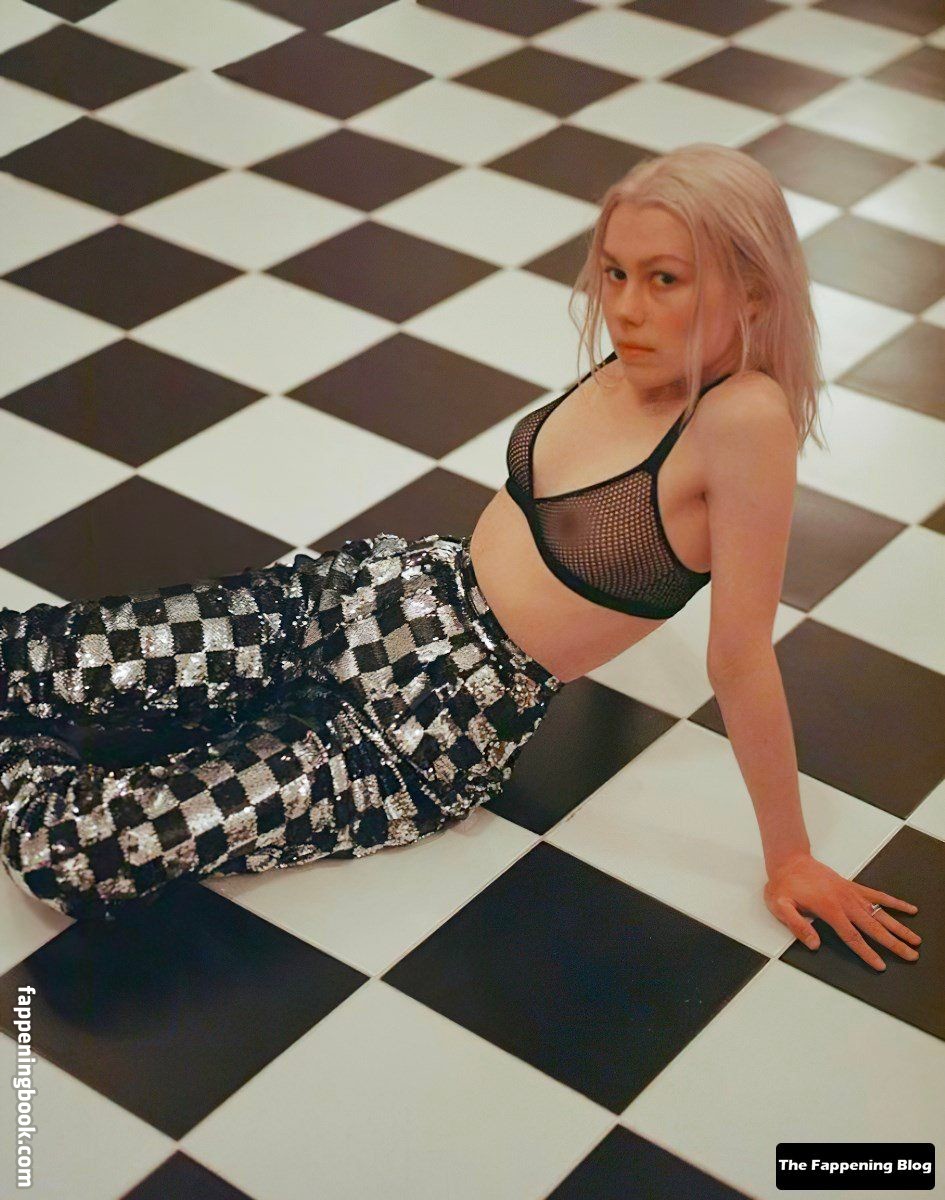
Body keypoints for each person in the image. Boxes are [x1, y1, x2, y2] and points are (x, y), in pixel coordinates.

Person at [0, 144, 921, 973]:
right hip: (362, 600)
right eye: (613, 272)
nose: (625, 308)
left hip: (421, 731)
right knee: (36, 655)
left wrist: (790, 856)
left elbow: (740, 655)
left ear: (752, 290)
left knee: (74, 849)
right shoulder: (643, 355)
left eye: (665, 279)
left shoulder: (743, 420)